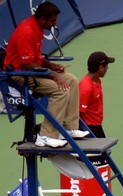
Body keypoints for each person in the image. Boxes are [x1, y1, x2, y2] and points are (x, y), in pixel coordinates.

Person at [3, 2, 89, 148]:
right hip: (20, 75)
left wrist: (51, 66)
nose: (55, 24)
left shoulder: (38, 28)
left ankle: (69, 127)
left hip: (33, 70)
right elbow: (27, 64)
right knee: (59, 89)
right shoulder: (27, 32)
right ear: (42, 19)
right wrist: (53, 76)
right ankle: (45, 136)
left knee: (71, 80)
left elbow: (36, 58)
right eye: (52, 21)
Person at [79, 51, 115, 138]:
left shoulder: (97, 80)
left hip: (97, 125)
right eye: (106, 66)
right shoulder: (86, 87)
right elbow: (78, 114)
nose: (107, 68)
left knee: (105, 150)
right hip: (89, 129)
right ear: (101, 68)